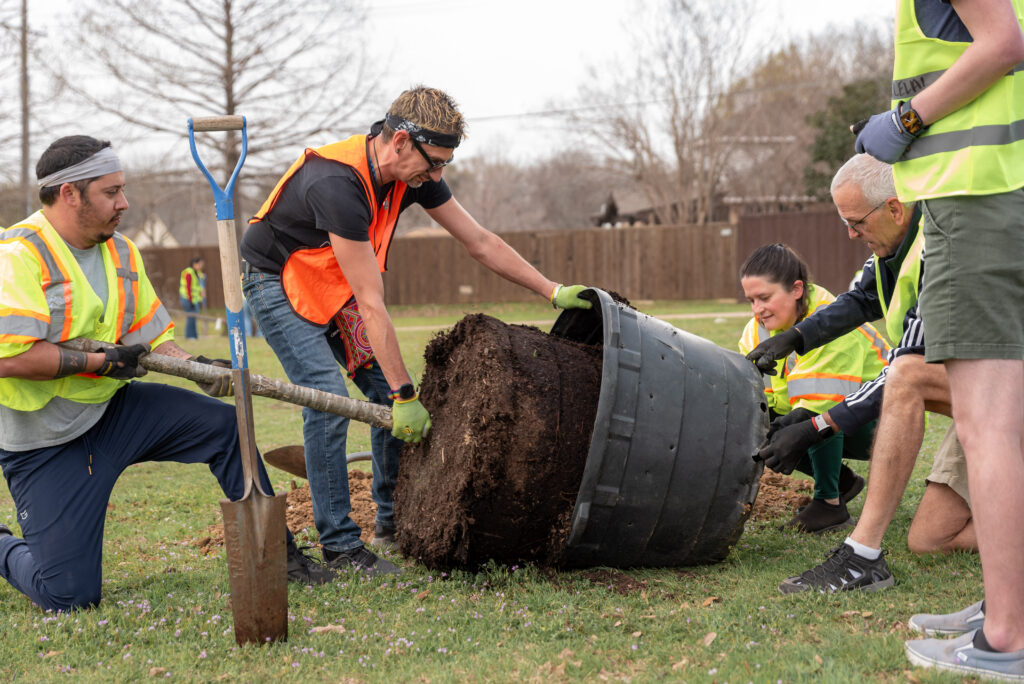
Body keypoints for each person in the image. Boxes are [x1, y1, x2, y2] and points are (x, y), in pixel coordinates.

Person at [239, 86, 592, 577]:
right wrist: (408, 393)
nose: (439, 176)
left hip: (332, 281)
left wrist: (549, 290)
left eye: (445, 163)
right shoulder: (336, 183)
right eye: (435, 162)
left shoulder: (414, 174)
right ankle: (342, 548)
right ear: (401, 141)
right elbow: (370, 301)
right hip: (277, 279)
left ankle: (390, 525)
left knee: (385, 395)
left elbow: (480, 241)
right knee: (324, 397)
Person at [0, 136, 333, 613]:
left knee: (225, 427)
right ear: (70, 193)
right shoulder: (18, 255)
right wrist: (102, 362)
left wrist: (196, 368)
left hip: (113, 414)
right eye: (111, 192)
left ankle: (281, 560)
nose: (124, 202)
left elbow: (155, 340)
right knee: (69, 597)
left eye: (122, 190)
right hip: (44, 444)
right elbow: (10, 359)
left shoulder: (121, 252)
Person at [851, 0, 1024, 676]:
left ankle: (1007, 637)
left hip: (979, 198)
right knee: (1003, 424)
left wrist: (904, 120)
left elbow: (1003, 44)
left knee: (989, 427)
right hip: (999, 194)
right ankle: (1007, 603)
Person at [747, 155, 975, 596]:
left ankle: (863, 556)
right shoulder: (892, 251)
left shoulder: (944, 249)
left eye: (856, 222)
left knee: (907, 374)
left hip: (1006, 391)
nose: (850, 234)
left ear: (894, 208)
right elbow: (857, 301)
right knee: (930, 540)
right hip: (982, 408)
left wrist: (817, 425)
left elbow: (904, 371)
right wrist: (793, 338)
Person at [739, 243, 889, 533]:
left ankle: (828, 504)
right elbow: (764, 404)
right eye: (751, 301)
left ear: (796, 290)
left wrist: (785, 428)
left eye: (764, 298)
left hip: (882, 422)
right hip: (836, 418)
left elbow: (825, 404)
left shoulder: (834, 321)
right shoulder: (754, 332)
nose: (757, 310)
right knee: (762, 425)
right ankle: (842, 482)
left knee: (814, 413)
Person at [178, 256, 205, 340]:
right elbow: (188, 288)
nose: (201, 266)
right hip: (188, 299)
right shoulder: (188, 273)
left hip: (195, 299)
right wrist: (190, 300)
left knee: (194, 318)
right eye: (200, 264)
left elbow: (200, 285)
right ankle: (190, 336)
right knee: (190, 317)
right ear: (194, 264)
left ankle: (194, 336)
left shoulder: (198, 273)